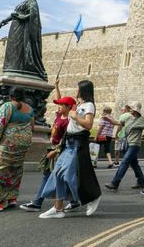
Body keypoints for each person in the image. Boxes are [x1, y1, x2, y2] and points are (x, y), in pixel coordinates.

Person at [39, 80, 102, 218]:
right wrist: (56, 87)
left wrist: (75, 116)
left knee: (68, 176)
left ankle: (92, 196)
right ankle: (58, 208)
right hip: (68, 143)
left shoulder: (89, 105)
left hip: (77, 144)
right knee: (57, 174)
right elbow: (60, 101)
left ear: (83, 90)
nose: (76, 90)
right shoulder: (78, 105)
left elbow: (89, 125)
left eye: (77, 88)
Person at [20, 95, 74, 212]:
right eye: (58, 104)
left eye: (61, 105)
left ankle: (38, 202)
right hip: (52, 148)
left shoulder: (69, 121)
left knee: (50, 176)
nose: (58, 107)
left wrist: (55, 151)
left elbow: (66, 140)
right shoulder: (60, 116)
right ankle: (74, 201)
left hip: (59, 151)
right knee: (57, 177)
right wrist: (56, 87)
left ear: (69, 107)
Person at [0, 0, 47, 80]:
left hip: (24, 30)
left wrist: (20, 17)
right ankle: (12, 68)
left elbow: (33, 16)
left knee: (21, 48)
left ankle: (21, 69)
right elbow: (14, 14)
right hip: (15, 29)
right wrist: (3, 21)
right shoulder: (23, 3)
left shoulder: (33, 3)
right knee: (13, 49)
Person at [0, 87, 34, 212]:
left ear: (11, 97)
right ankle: (12, 198)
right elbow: (32, 126)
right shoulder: (30, 109)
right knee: (15, 170)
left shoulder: (8, 106)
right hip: (22, 145)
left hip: (8, 144)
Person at [105, 101, 144, 191]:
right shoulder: (129, 119)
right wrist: (108, 119)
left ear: (135, 110)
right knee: (134, 164)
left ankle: (115, 183)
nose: (130, 109)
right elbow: (118, 123)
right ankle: (141, 182)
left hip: (134, 145)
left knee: (124, 162)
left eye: (131, 108)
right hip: (128, 144)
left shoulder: (142, 119)